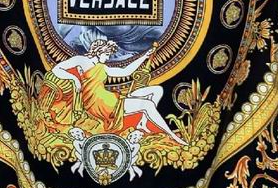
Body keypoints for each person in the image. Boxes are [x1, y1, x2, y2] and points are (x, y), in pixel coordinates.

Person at [39, 39, 186, 145]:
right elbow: (57, 69)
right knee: (147, 105)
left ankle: (142, 124)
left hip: (108, 98)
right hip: (99, 104)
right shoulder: (81, 60)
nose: (108, 58)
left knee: (156, 90)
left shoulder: (102, 67)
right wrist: (74, 79)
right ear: (99, 52)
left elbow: (125, 71)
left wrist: (144, 57)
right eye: (107, 54)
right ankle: (172, 136)